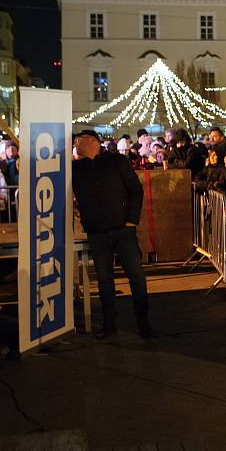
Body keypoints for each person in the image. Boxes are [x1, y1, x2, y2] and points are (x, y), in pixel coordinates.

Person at [72, 130, 151, 340]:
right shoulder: (75, 167)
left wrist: (131, 220)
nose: (74, 146)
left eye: (76, 142)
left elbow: (136, 189)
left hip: (122, 229)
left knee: (135, 275)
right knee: (105, 280)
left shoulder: (116, 161)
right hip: (97, 232)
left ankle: (143, 322)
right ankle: (109, 325)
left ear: (90, 141)